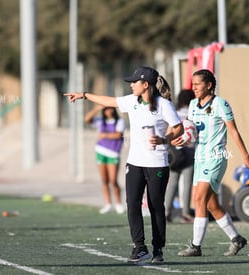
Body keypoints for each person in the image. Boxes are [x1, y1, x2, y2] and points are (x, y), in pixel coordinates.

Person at [65, 66, 184, 263]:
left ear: (145, 85)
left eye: (134, 82)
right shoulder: (131, 102)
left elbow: (178, 128)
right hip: (134, 162)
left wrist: (163, 139)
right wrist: (84, 95)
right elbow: (109, 100)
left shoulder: (164, 105)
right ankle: (140, 247)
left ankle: (158, 250)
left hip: (157, 163)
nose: (131, 85)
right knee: (132, 204)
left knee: (156, 206)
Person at [175, 69, 249, 257]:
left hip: (216, 157)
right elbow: (191, 130)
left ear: (209, 85)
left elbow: (233, 131)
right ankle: (237, 239)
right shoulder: (193, 104)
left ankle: (195, 246)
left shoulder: (221, 104)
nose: (193, 87)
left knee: (198, 199)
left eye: (197, 84)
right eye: (192, 84)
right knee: (210, 205)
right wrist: (182, 139)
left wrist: (245, 156)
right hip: (199, 158)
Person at [84, 105, 126, 214]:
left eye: (110, 108)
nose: (109, 111)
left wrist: (104, 135)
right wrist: (96, 108)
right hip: (101, 151)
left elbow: (118, 135)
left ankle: (118, 204)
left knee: (113, 180)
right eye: (106, 109)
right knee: (104, 180)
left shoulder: (119, 121)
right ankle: (108, 204)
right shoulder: (100, 120)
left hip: (113, 153)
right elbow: (87, 119)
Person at [164, 89, 196, 223]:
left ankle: (166, 212)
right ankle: (186, 213)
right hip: (189, 151)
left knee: (172, 183)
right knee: (187, 184)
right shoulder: (193, 114)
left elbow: (168, 132)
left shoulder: (175, 113)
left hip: (175, 153)